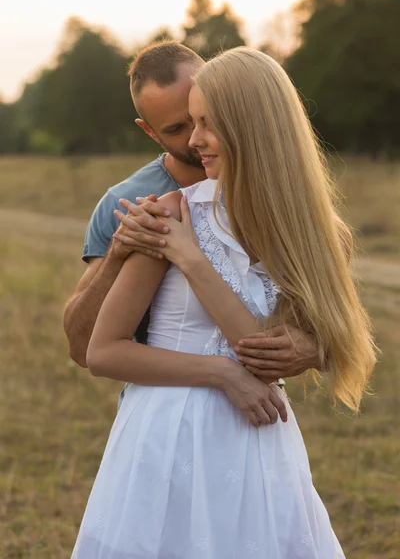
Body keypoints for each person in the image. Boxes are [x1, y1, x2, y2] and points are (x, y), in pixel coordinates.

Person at [70, 48, 376, 558]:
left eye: (207, 123)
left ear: (253, 126)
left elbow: (272, 350)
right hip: (168, 435)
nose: (194, 140)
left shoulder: (317, 232)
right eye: (188, 124)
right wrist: (221, 371)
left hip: (257, 434)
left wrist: (192, 260)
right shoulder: (163, 212)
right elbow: (96, 350)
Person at [63, 41, 320, 387]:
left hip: (261, 410)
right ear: (150, 131)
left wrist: (314, 347)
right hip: (171, 405)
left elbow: (327, 317)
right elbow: (84, 349)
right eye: (176, 129)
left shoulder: (282, 197)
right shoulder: (129, 203)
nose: (195, 138)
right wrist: (117, 253)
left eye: (204, 116)